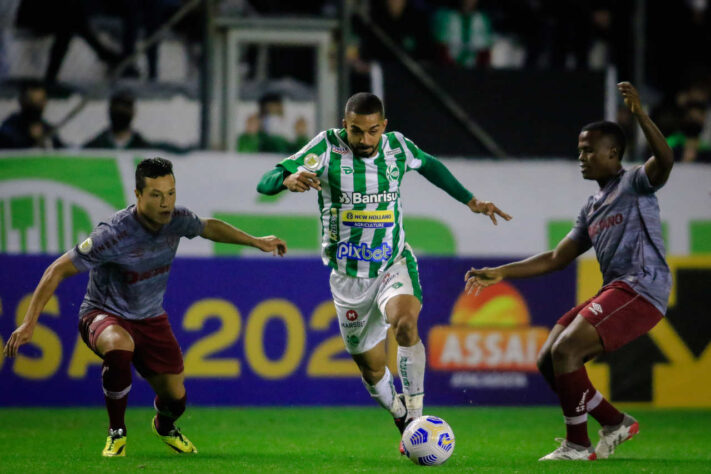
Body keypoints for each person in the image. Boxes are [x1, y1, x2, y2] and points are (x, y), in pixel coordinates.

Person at [256, 92, 511, 452]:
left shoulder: (397, 148)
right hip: (348, 279)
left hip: (393, 262)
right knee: (373, 370)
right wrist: (287, 179)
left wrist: (471, 200)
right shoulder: (325, 148)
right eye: (357, 131)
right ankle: (400, 415)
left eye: (373, 131)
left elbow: (430, 165)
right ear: (345, 125)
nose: (365, 140)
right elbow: (265, 181)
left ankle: (418, 417)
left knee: (405, 323)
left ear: (384, 126)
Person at [3, 157, 287, 457]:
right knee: (118, 345)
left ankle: (164, 426)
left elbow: (208, 227)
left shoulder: (177, 219)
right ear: (138, 195)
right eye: (156, 195)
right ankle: (117, 433)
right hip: (103, 312)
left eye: (171, 193)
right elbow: (56, 270)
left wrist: (256, 241)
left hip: (150, 318)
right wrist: (29, 323)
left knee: (176, 399)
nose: (165, 203)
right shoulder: (113, 233)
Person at [465, 82, 674, 461]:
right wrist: (502, 272)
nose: (581, 157)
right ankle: (614, 422)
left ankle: (578, 445)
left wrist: (641, 115)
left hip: (643, 288)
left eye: (589, 150)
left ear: (613, 154)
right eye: (580, 150)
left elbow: (665, 161)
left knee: (567, 350)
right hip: (618, 289)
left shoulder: (635, 184)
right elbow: (557, 257)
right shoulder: (592, 206)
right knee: (549, 358)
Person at [0, 80, 64, 149]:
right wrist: (31, 139)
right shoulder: (10, 128)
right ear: (22, 101)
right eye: (31, 101)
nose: (36, 106)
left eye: (40, 101)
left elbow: (62, 150)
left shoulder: (47, 129)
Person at [237, 93, 309, 154]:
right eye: (269, 113)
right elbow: (243, 154)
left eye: (278, 113)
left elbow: (303, 156)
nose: (274, 119)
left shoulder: (283, 143)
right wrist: (250, 134)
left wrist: (301, 136)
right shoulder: (252, 140)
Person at [84, 89, 152, 150]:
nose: (121, 109)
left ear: (133, 111)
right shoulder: (93, 148)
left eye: (126, 106)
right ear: (110, 109)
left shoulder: (144, 149)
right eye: (117, 105)